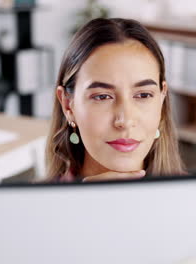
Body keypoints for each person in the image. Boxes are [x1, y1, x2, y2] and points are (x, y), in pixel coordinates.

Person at [46, 18, 185, 183]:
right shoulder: (39, 206)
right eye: (102, 96)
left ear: (161, 101)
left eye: (144, 95)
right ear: (68, 105)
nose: (125, 121)